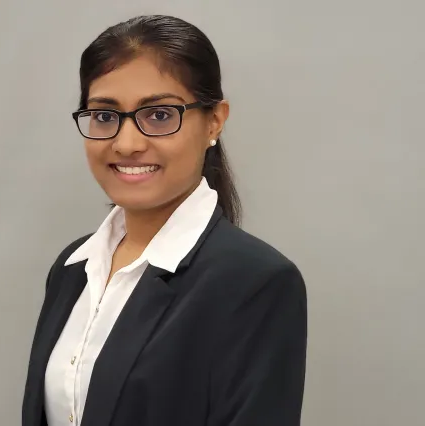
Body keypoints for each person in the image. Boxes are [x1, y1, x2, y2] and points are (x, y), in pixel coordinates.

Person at [23, 14, 307, 426]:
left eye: (158, 115)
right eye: (105, 115)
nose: (127, 143)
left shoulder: (255, 283)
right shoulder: (73, 267)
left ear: (215, 120)